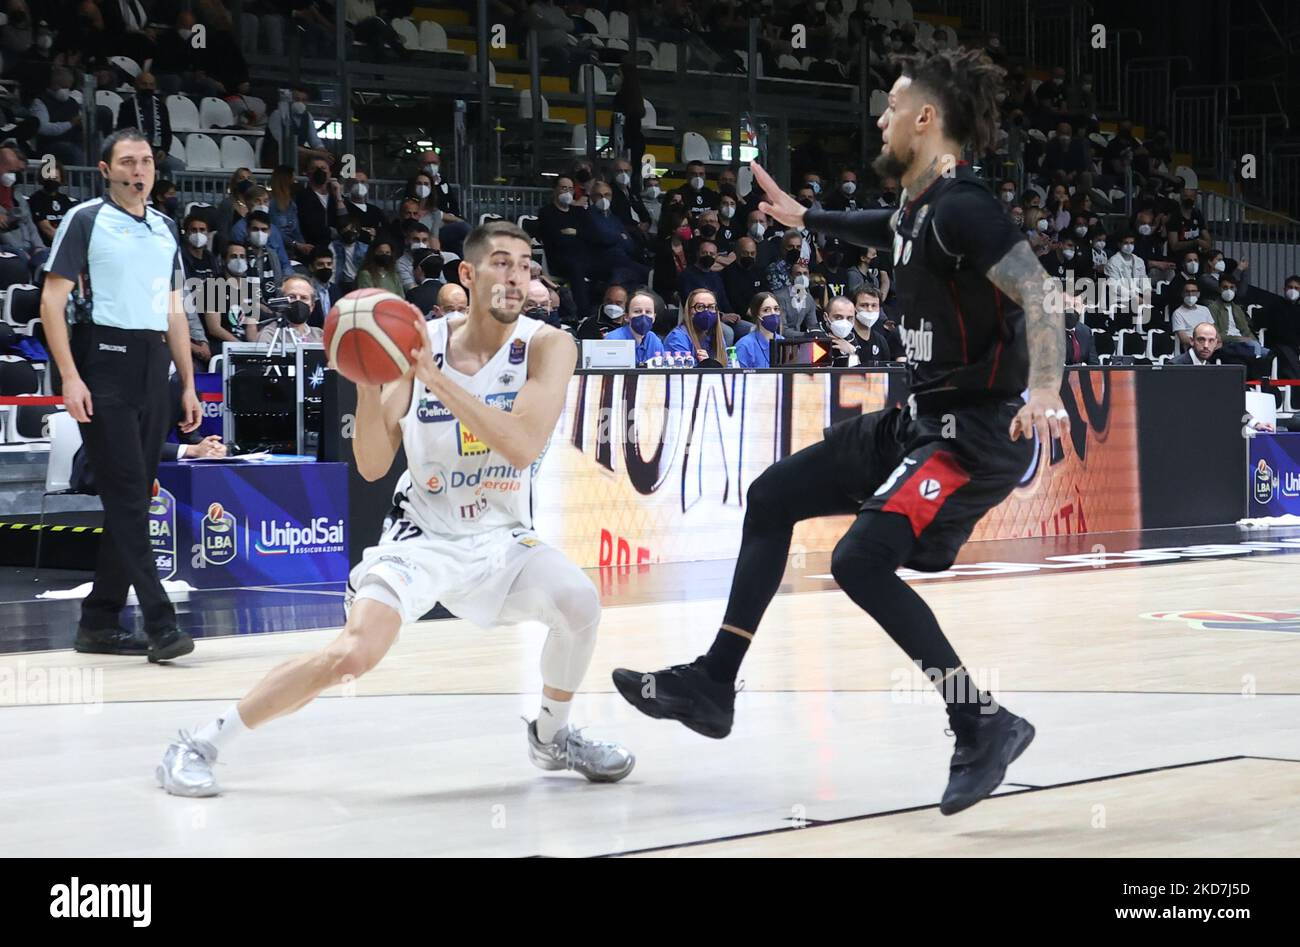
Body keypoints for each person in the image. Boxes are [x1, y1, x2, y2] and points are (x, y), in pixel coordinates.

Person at [613, 48, 1071, 816]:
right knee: (772, 495)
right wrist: (806, 217)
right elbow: (879, 226)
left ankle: (979, 718)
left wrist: (1048, 384)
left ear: (926, 118)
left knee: (862, 559)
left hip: (973, 436)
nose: (880, 117)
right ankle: (714, 683)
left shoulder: (965, 206)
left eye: (892, 105)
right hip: (919, 421)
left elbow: (1041, 293)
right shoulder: (919, 210)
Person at [156, 221, 634, 796]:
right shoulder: (413, 341)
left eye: (526, 264)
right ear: (468, 274)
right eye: (502, 263)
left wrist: (437, 379)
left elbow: (523, 443)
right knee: (352, 656)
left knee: (580, 601)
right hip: (421, 536)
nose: (517, 276)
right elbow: (375, 464)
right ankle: (199, 742)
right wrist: (364, 381)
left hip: (501, 538)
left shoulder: (548, 344)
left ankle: (551, 736)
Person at [38, 129, 199, 662]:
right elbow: (51, 302)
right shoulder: (84, 218)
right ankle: (160, 623)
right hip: (101, 363)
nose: (139, 170)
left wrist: (188, 384)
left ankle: (99, 623)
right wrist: (70, 376)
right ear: (105, 170)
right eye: (127, 162)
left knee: (131, 498)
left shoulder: (166, 228)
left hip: (154, 367)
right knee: (129, 494)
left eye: (146, 162)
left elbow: (174, 310)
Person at [603, 288, 666, 365]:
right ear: (626, 316)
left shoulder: (655, 341)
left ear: (654, 318)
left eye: (648, 312)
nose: (643, 315)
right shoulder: (612, 340)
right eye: (637, 311)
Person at [664, 288, 727, 364]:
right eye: (700, 307)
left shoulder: (717, 336)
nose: (706, 312)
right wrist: (706, 364)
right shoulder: (677, 338)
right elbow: (683, 373)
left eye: (711, 307)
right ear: (689, 311)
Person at [733, 292, 784, 368]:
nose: (773, 313)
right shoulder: (744, 345)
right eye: (766, 310)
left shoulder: (782, 341)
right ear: (756, 314)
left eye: (776, 309)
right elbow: (738, 377)